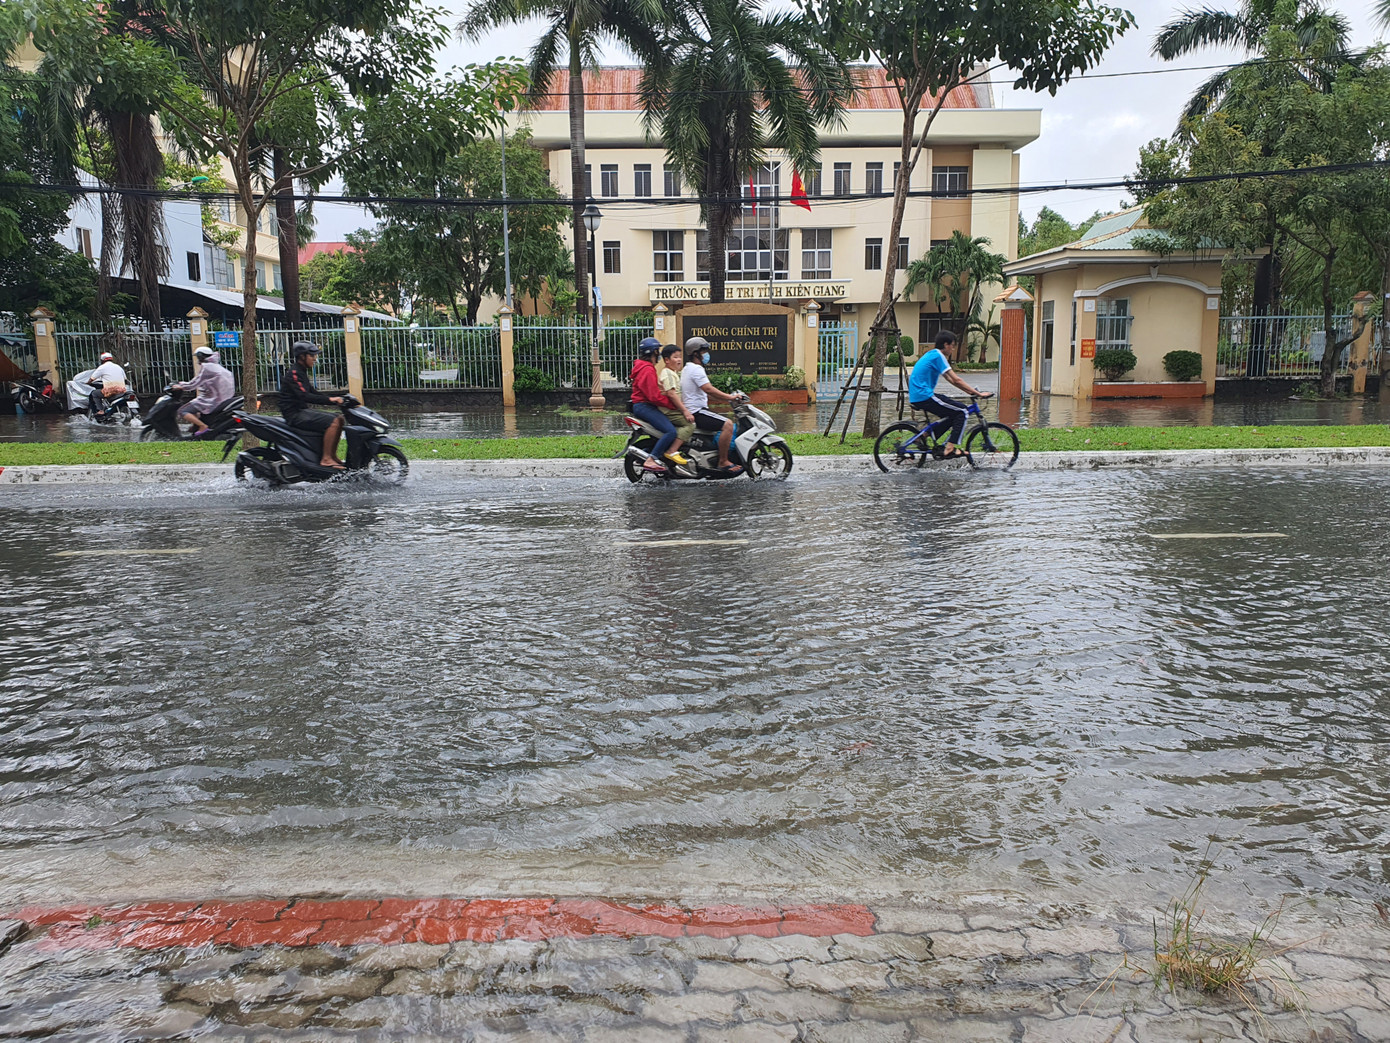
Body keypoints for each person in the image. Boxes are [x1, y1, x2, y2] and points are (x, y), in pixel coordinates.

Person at [908, 330, 992, 459]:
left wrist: (970, 392)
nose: (953, 349)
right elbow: (956, 379)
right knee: (962, 411)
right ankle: (950, 448)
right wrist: (978, 393)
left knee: (952, 415)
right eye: (952, 345)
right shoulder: (938, 356)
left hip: (920, 395)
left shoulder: (933, 355)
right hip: (924, 395)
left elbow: (951, 380)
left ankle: (921, 437)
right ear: (946, 344)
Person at [678, 337, 743, 475]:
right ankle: (723, 461)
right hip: (696, 412)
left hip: (694, 409)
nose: (707, 354)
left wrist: (724, 399)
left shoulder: (687, 368)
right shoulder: (696, 369)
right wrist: (730, 397)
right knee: (728, 424)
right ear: (696, 354)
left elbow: (704, 392)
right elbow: (709, 389)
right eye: (704, 351)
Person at [279, 340, 347, 469]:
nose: (315, 359)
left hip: (302, 411)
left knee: (340, 418)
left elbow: (312, 391)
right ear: (302, 357)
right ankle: (326, 459)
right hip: (294, 414)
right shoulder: (294, 373)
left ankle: (332, 455)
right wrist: (331, 401)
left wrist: (333, 399)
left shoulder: (301, 371)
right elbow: (304, 395)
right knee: (334, 421)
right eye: (312, 356)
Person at [629, 337, 689, 474]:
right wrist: (672, 405)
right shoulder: (647, 369)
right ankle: (651, 459)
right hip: (644, 407)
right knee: (670, 431)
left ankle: (647, 454)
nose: (659, 355)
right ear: (653, 352)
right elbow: (653, 396)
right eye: (657, 351)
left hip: (643, 406)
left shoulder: (645, 368)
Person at [173, 346, 235, 437]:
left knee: (183, 411)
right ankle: (196, 426)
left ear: (201, 356)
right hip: (224, 398)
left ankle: (202, 426)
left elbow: (194, 383)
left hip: (212, 400)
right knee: (196, 408)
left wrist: (181, 386)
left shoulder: (207, 367)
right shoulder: (217, 367)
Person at [656, 344, 696, 463]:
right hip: (670, 411)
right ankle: (672, 450)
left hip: (672, 408)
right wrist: (685, 411)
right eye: (675, 357)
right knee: (690, 425)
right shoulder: (668, 373)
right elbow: (671, 394)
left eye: (680, 357)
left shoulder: (673, 373)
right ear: (667, 360)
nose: (679, 360)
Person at [86, 351, 128, 416]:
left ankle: (100, 410)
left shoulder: (102, 367)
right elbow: (125, 379)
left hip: (110, 390)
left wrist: (88, 383)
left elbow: (92, 378)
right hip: (122, 390)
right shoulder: (118, 367)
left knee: (94, 393)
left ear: (102, 360)